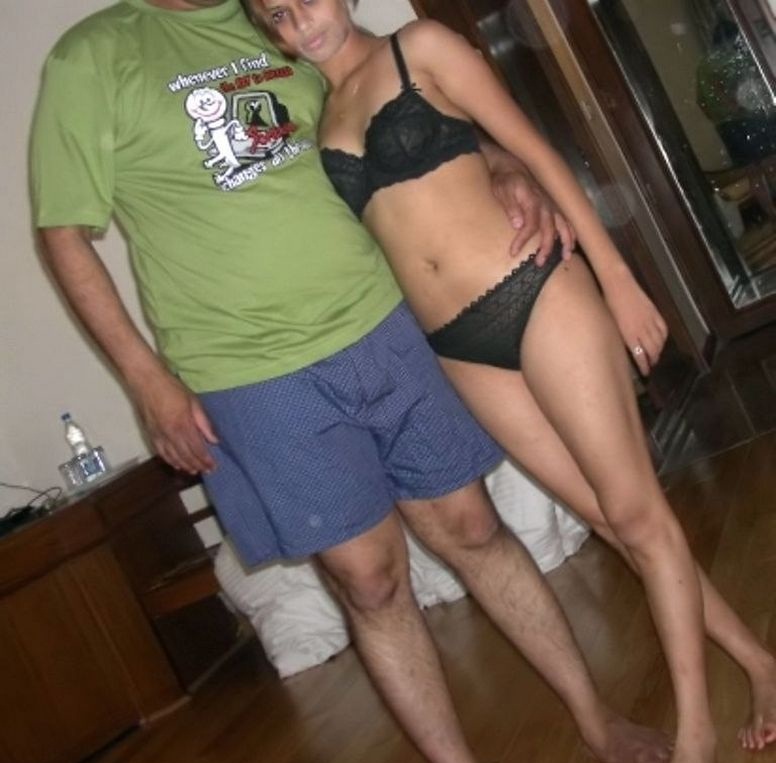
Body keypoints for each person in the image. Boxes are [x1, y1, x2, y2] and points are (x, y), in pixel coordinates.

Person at [29, 2, 672, 762]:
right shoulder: (93, 55)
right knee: (369, 582)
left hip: (384, 318)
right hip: (250, 370)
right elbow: (62, 234)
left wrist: (501, 164)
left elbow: (392, 109)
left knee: (472, 528)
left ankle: (597, 720)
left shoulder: (276, 18)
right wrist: (146, 380)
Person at [250, 0, 776, 760]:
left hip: (534, 292)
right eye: (276, 13)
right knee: (608, 519)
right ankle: (761, 664)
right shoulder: (314, 109)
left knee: (636, 512)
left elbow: (533, 150)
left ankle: (695, 734)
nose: (300, 20)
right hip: (457, 345)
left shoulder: (420, 45)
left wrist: (618, 278)